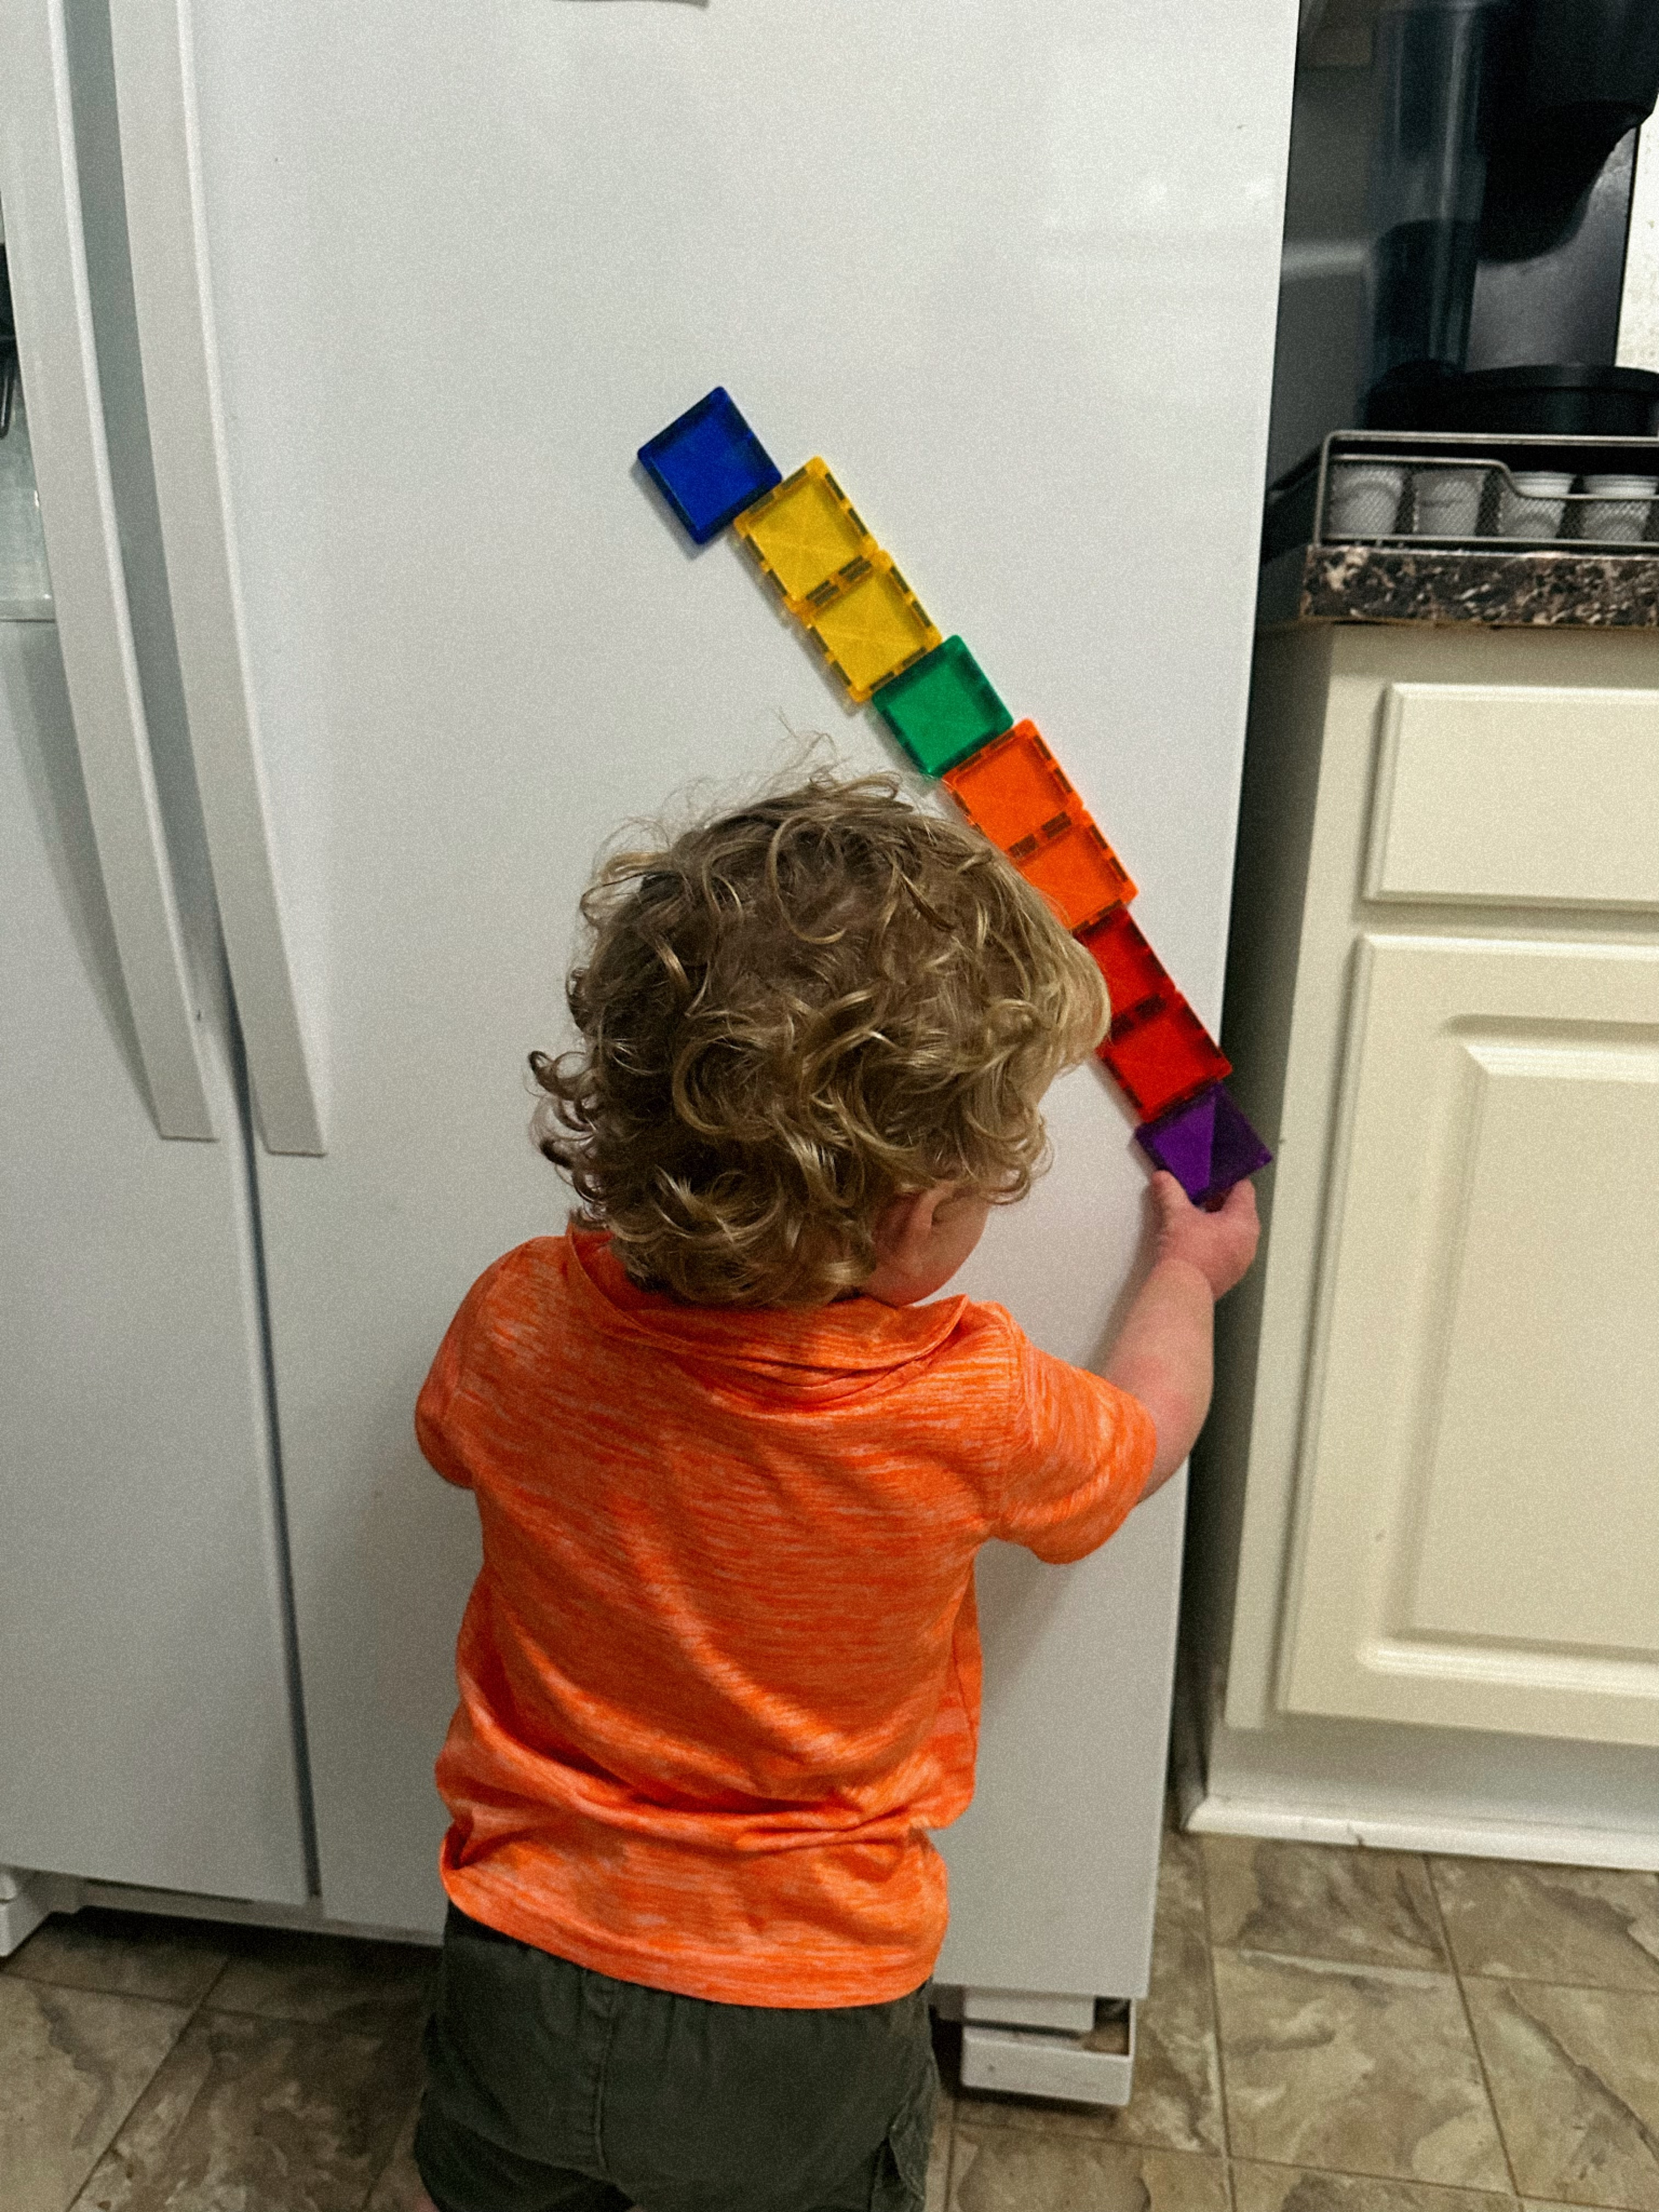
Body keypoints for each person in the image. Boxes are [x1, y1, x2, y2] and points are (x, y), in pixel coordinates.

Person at [409, 771, 1258, 2212]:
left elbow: (451, 1443)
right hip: (799, 2010)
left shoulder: (520, 1320)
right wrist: (1188, 1270)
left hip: (518, 1965)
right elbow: (1133, 1443)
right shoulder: (962, 1400)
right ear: (924, 1216)